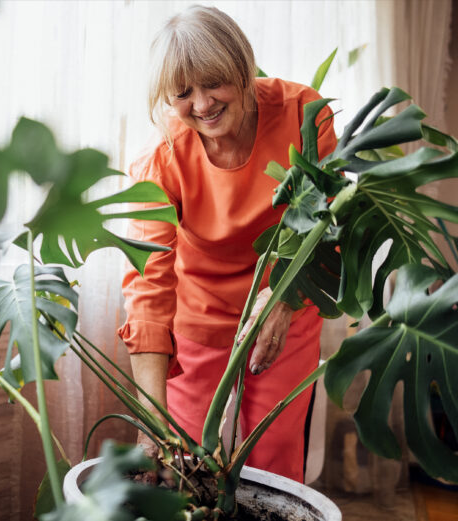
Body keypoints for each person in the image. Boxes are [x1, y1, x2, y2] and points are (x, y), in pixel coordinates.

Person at [118, 5, 336, 483]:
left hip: (287, 302)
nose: (201, 105)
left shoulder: (303, 115)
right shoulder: (163, 157)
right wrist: (152, 422)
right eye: (182, 93)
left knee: (274, 457)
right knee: (186, 461)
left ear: (242, 66)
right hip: (201, 314)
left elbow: (327, 224)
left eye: (213, 83)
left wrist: (282, 300)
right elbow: (148, 285)